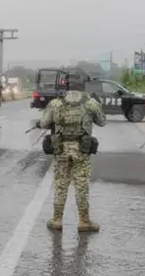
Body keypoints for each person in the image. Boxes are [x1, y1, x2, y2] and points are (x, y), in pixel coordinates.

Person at [36, 72, 107, 232]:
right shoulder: (91, 103)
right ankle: (84, 221)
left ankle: (57, 220)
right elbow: (102, 122)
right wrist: (98, 104)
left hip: (61, 149)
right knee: (82, 185)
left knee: (61, 184)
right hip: (82, 150)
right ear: (83, 85)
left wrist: (42, 124)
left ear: (66, 85)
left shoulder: (56, 103)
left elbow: (44, 123)